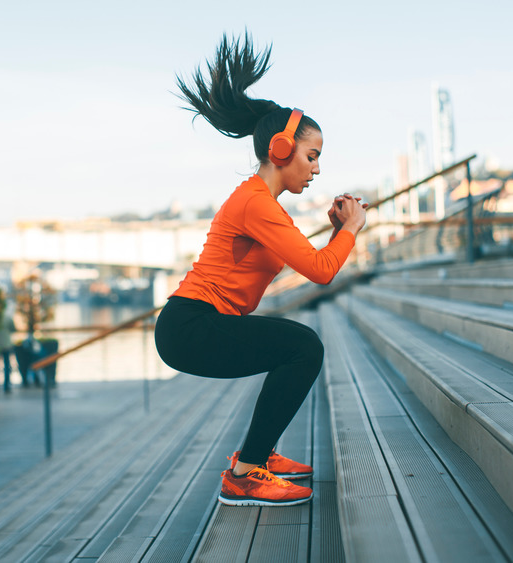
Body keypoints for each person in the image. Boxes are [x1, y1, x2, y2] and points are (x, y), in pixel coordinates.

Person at [154, 33, 367, 508]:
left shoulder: (263, 205)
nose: (315, 170)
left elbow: (314, 261)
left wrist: (337, 234)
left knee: (294, 347)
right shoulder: (256, 204)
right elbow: (320, 272)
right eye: (311, 157)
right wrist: (352, 228)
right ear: (280, 149)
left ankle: (256, 458)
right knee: (302, 346)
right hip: (190, 326)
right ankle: (246, 474)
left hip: (199, 322)